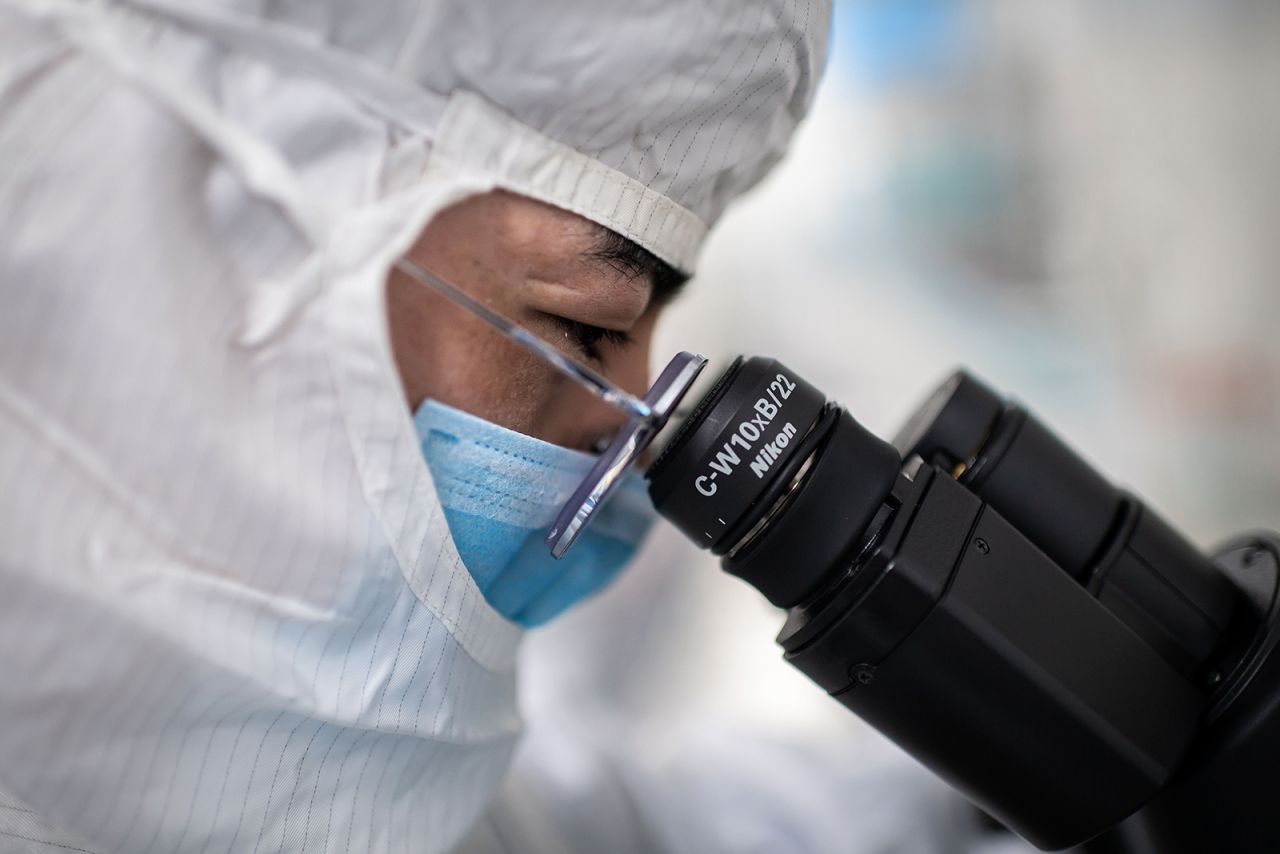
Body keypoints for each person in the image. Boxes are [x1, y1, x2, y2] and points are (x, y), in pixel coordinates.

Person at [0, 2, 1027, 853]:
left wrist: (989, 791)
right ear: (204, 212)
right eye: (586, 326)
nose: (625, 451)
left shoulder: (288, 792)